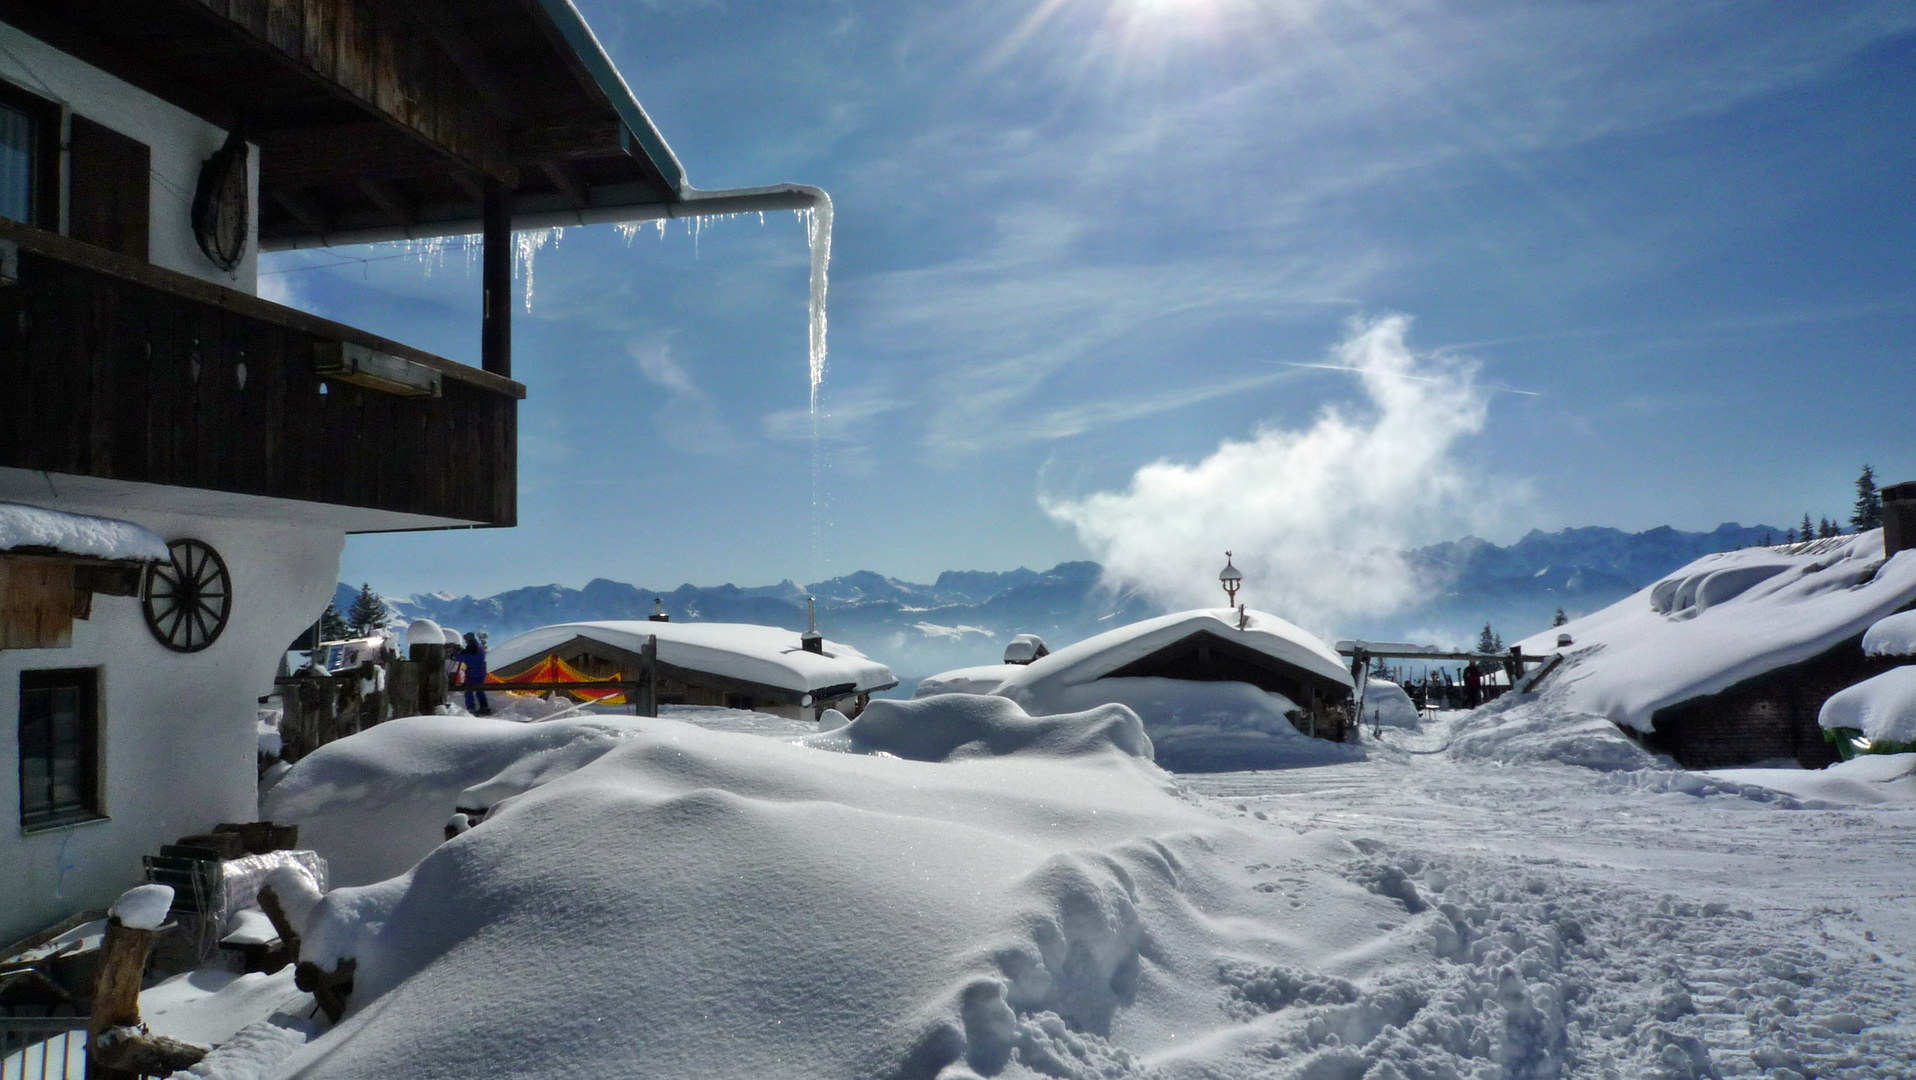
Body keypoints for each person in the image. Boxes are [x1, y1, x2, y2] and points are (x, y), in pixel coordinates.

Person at [453, 632, 492, 715]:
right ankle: (484, 707)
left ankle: (471, 709)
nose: (465, 641)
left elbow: (468, 657)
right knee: (479, 690)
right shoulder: (478, 646)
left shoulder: (472, 647)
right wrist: (462, 651)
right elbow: (471, 655)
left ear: (468, 640)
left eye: (466, 640)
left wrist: (454, 656)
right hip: (480, 672)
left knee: (468, 690)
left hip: (472, 673)